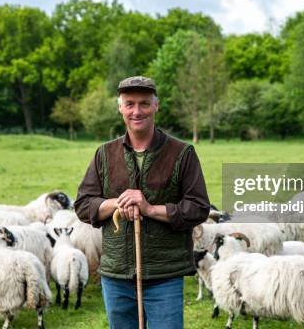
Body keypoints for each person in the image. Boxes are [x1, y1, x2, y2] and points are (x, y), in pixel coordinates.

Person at [75, 76, 210, 329]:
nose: (137, 111)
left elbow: (198, 207)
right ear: (120, 108)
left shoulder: (181, 153)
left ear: (156, 106)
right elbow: (83, 205)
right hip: (116, 275)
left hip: (164, 276)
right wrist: (116, 203)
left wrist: (150, 209)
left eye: (144, 104)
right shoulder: (104, 154)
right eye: (130, 104)